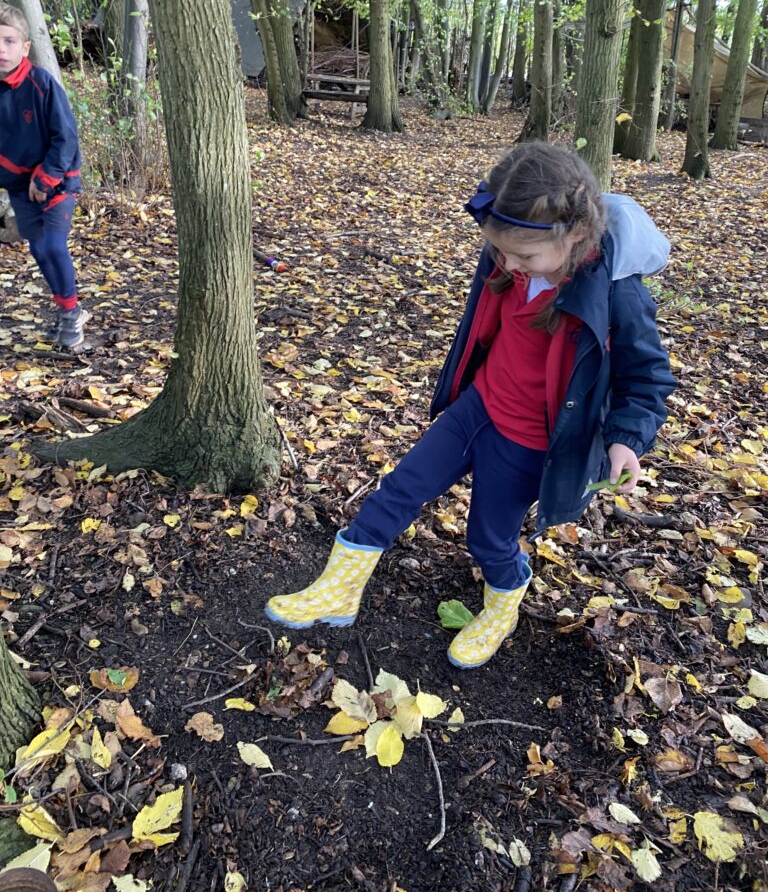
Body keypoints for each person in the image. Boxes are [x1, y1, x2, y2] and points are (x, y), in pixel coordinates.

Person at [265, 142, 676, 669]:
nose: (507, 264)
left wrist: (626, 439)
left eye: (523, 257)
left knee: (488, 537)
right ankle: (337, 592)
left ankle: (504, 604)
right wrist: (511, 263)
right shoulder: (513, 251)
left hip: (529, 441)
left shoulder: (616, 294)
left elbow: (646, 377)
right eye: (499, 251)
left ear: (574, 236)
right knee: (400, 488)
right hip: (478, 407)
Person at [0, 3, 87, 348]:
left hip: (57, 182)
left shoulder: (41, 84)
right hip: (20, 187)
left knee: (52, 244)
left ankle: (71, 319)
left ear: (24, 47)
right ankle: (70, 309)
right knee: (38, 248)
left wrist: (47, 176)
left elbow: (65, 135)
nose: (0, 50)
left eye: (8, 41)